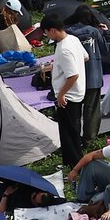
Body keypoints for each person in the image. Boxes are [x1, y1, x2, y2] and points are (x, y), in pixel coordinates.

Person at [40, 13, 88, 164]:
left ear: (53, 30)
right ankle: (74, 158)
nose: (47, 35)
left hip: (69, 96)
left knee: (68, 131)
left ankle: (74, 161)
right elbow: (85, 57)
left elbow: (73, 75)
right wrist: (57, 65)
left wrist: (61, 94)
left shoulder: (64, 49)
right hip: (78, 92)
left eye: (46, 32)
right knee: (73, 127)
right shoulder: (72, 39)